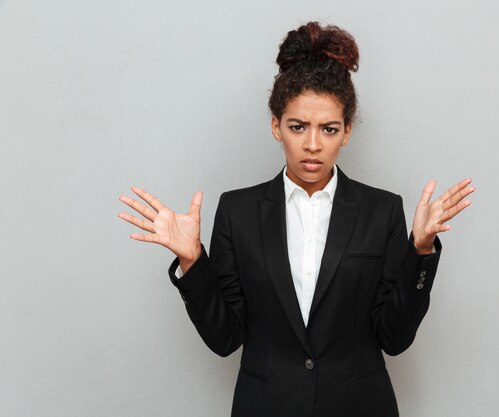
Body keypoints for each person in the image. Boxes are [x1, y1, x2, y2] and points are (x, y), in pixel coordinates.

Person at [118, 21, 474, 417]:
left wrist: (419, 251)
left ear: (347, 132)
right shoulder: (237, 212)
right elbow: (225, 338)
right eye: (298, 127)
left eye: (329, 129)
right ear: (276, 126)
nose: (313, 144)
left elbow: (394, 337)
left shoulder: (382, 210)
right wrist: (192, 261)